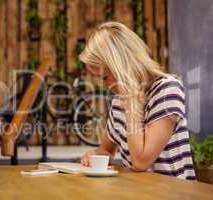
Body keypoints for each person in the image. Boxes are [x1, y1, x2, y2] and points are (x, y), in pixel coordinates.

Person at [80, 22, 196, 180]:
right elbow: (107, 150)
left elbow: (141, 162)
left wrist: (132, 105)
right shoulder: (118, 100)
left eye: (104, 77)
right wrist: (95, 154)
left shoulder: (168, 90)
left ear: (124, 66)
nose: (102, 85)